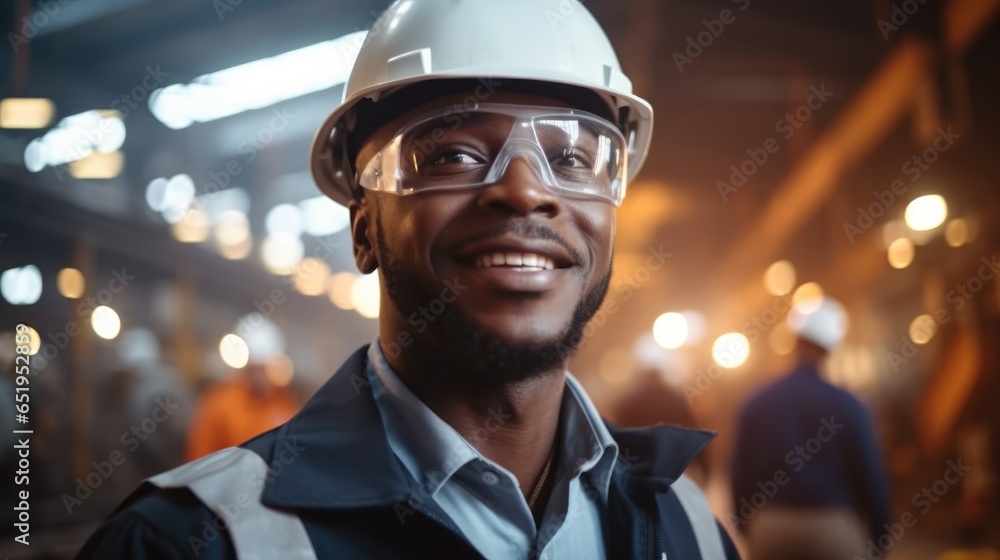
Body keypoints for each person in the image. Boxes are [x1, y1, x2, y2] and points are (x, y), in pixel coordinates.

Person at [77, 1, 740, 558]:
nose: (525, 191)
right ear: (364, 230)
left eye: (572, 156)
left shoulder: (688, 528)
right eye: (452, 153)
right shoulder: (190, 543)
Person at [728, 296, 890, 560]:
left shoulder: (756, 402)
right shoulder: (850, 406)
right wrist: (879, 536)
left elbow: (739, 473)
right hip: (832, 528)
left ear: (793, 342)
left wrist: (747, 525)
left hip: (772, 526)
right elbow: (870, 474)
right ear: (831, 348)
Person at [184, 315, 300, 461]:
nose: (260, 376)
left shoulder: (283, 402)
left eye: (264, 368)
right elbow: (199, 459)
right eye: (255, 369)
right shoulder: (219, 403)